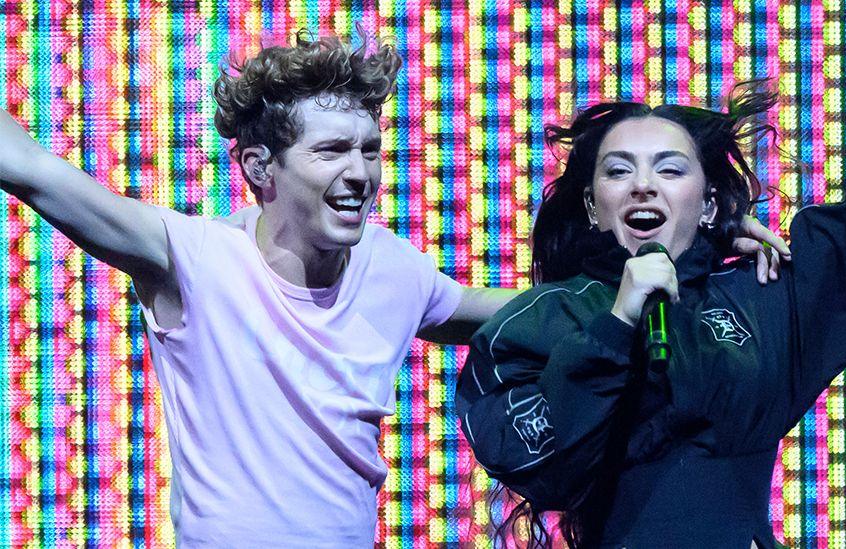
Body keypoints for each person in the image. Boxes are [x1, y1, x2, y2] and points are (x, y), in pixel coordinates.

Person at [0, 26, 789, 547]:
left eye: (371, 150)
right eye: (333, 151)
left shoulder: (393, 268)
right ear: (259, 170)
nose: (360, 174)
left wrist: (700, 249)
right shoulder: (190, 256)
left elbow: (526, 314)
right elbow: (33, 168)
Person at [455, 1, 846, 547]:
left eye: (670, 168)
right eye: (618, 170)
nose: (643, 185)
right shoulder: (543, 320)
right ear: (591, 206)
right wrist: (615, 326)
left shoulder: (761, 297)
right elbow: (532, 461)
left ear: (707, 205)